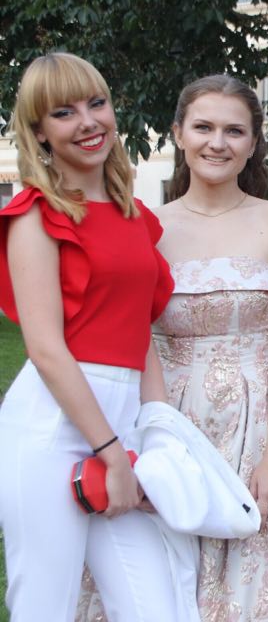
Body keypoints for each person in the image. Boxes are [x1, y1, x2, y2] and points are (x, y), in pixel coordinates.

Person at [89, 75, 268, 619]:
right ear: (178, 134)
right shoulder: (143, 224)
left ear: (253, 143)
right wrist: (153, 443)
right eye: (203, 127)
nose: (217, 142)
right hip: (170, 420)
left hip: (264, 424)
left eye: (234, 131)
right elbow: (134, 337)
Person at [0, 52, 178, 620]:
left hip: (121, 425)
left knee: (158, 609)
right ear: (39, 132)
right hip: (52, 427)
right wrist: (110, 452)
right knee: (44, 605)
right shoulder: (35, 215)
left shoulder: (135, 215)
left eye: (96, 103)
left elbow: (141, 331)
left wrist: (155, 440)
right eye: (63, 113)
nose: (87, 122)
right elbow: (45, 349)